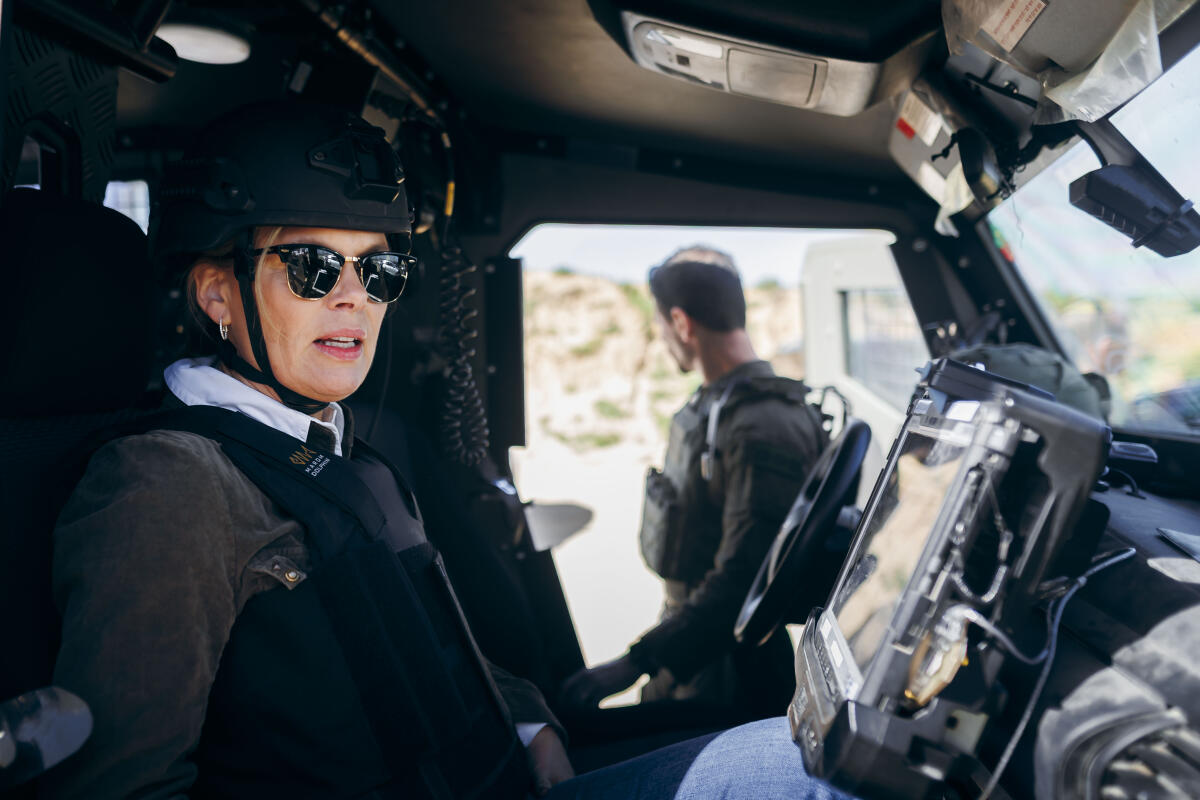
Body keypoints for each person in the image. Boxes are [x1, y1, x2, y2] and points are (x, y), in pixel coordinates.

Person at [44, 102, 847, 800]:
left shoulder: (342, 453)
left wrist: (530, 722)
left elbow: (421, 639)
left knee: (834, 751)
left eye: (380, 268)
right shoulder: (168, 484)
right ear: (217, 291)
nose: (354, 295)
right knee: (820, 773)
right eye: (314, 265)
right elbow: (122, 784)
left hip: (496, 773)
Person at [561, 247, 828, 717]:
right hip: (690, 645)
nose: (663, 341)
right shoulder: (718, 406)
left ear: (682, 324)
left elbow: (746, 578)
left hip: (727, 672)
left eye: (662, 328)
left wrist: (637, 661)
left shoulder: (761, 424)